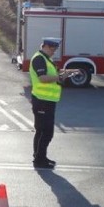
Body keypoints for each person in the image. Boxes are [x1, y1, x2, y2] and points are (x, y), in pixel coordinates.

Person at [29, 38, 77, 169]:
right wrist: (60, 77)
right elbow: (43, 78)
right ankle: (39, 160)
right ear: (45, 46)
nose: (54, 52)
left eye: (55, 49)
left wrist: (68, 72)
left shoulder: (45, 59)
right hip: (42, 100)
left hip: (47, 100)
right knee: (46, 132)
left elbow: (54, 73)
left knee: (42, 131)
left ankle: (40, 157)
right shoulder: (39, 59)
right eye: (52, 49)